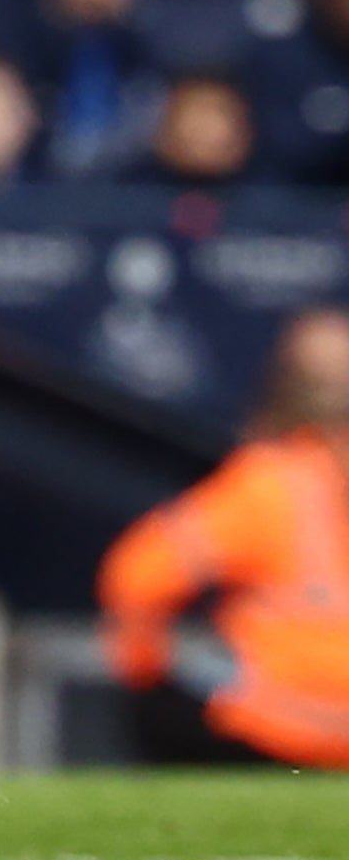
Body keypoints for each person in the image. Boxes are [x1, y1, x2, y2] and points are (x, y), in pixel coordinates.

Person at [101, 306, 349, 766]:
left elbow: (136, 576)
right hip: (298, 731)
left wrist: (142, 662)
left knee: (154, 703)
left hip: (277, 731)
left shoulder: (271, 483)